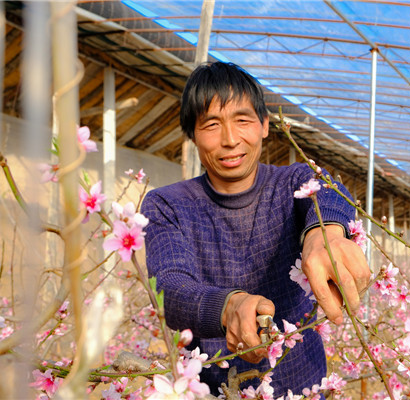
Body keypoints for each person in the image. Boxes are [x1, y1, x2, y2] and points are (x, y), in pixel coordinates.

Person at [141, 62, 370, 396]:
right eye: (211, 125)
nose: (231, 139)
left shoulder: (292, 183)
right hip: (216, 388)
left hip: (302, 385)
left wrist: (326, 235)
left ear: (264, 125)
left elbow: (325, 189)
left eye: (243, 120)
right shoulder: (167, 205)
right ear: (191, 134)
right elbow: (170, 289)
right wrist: (229, 306)